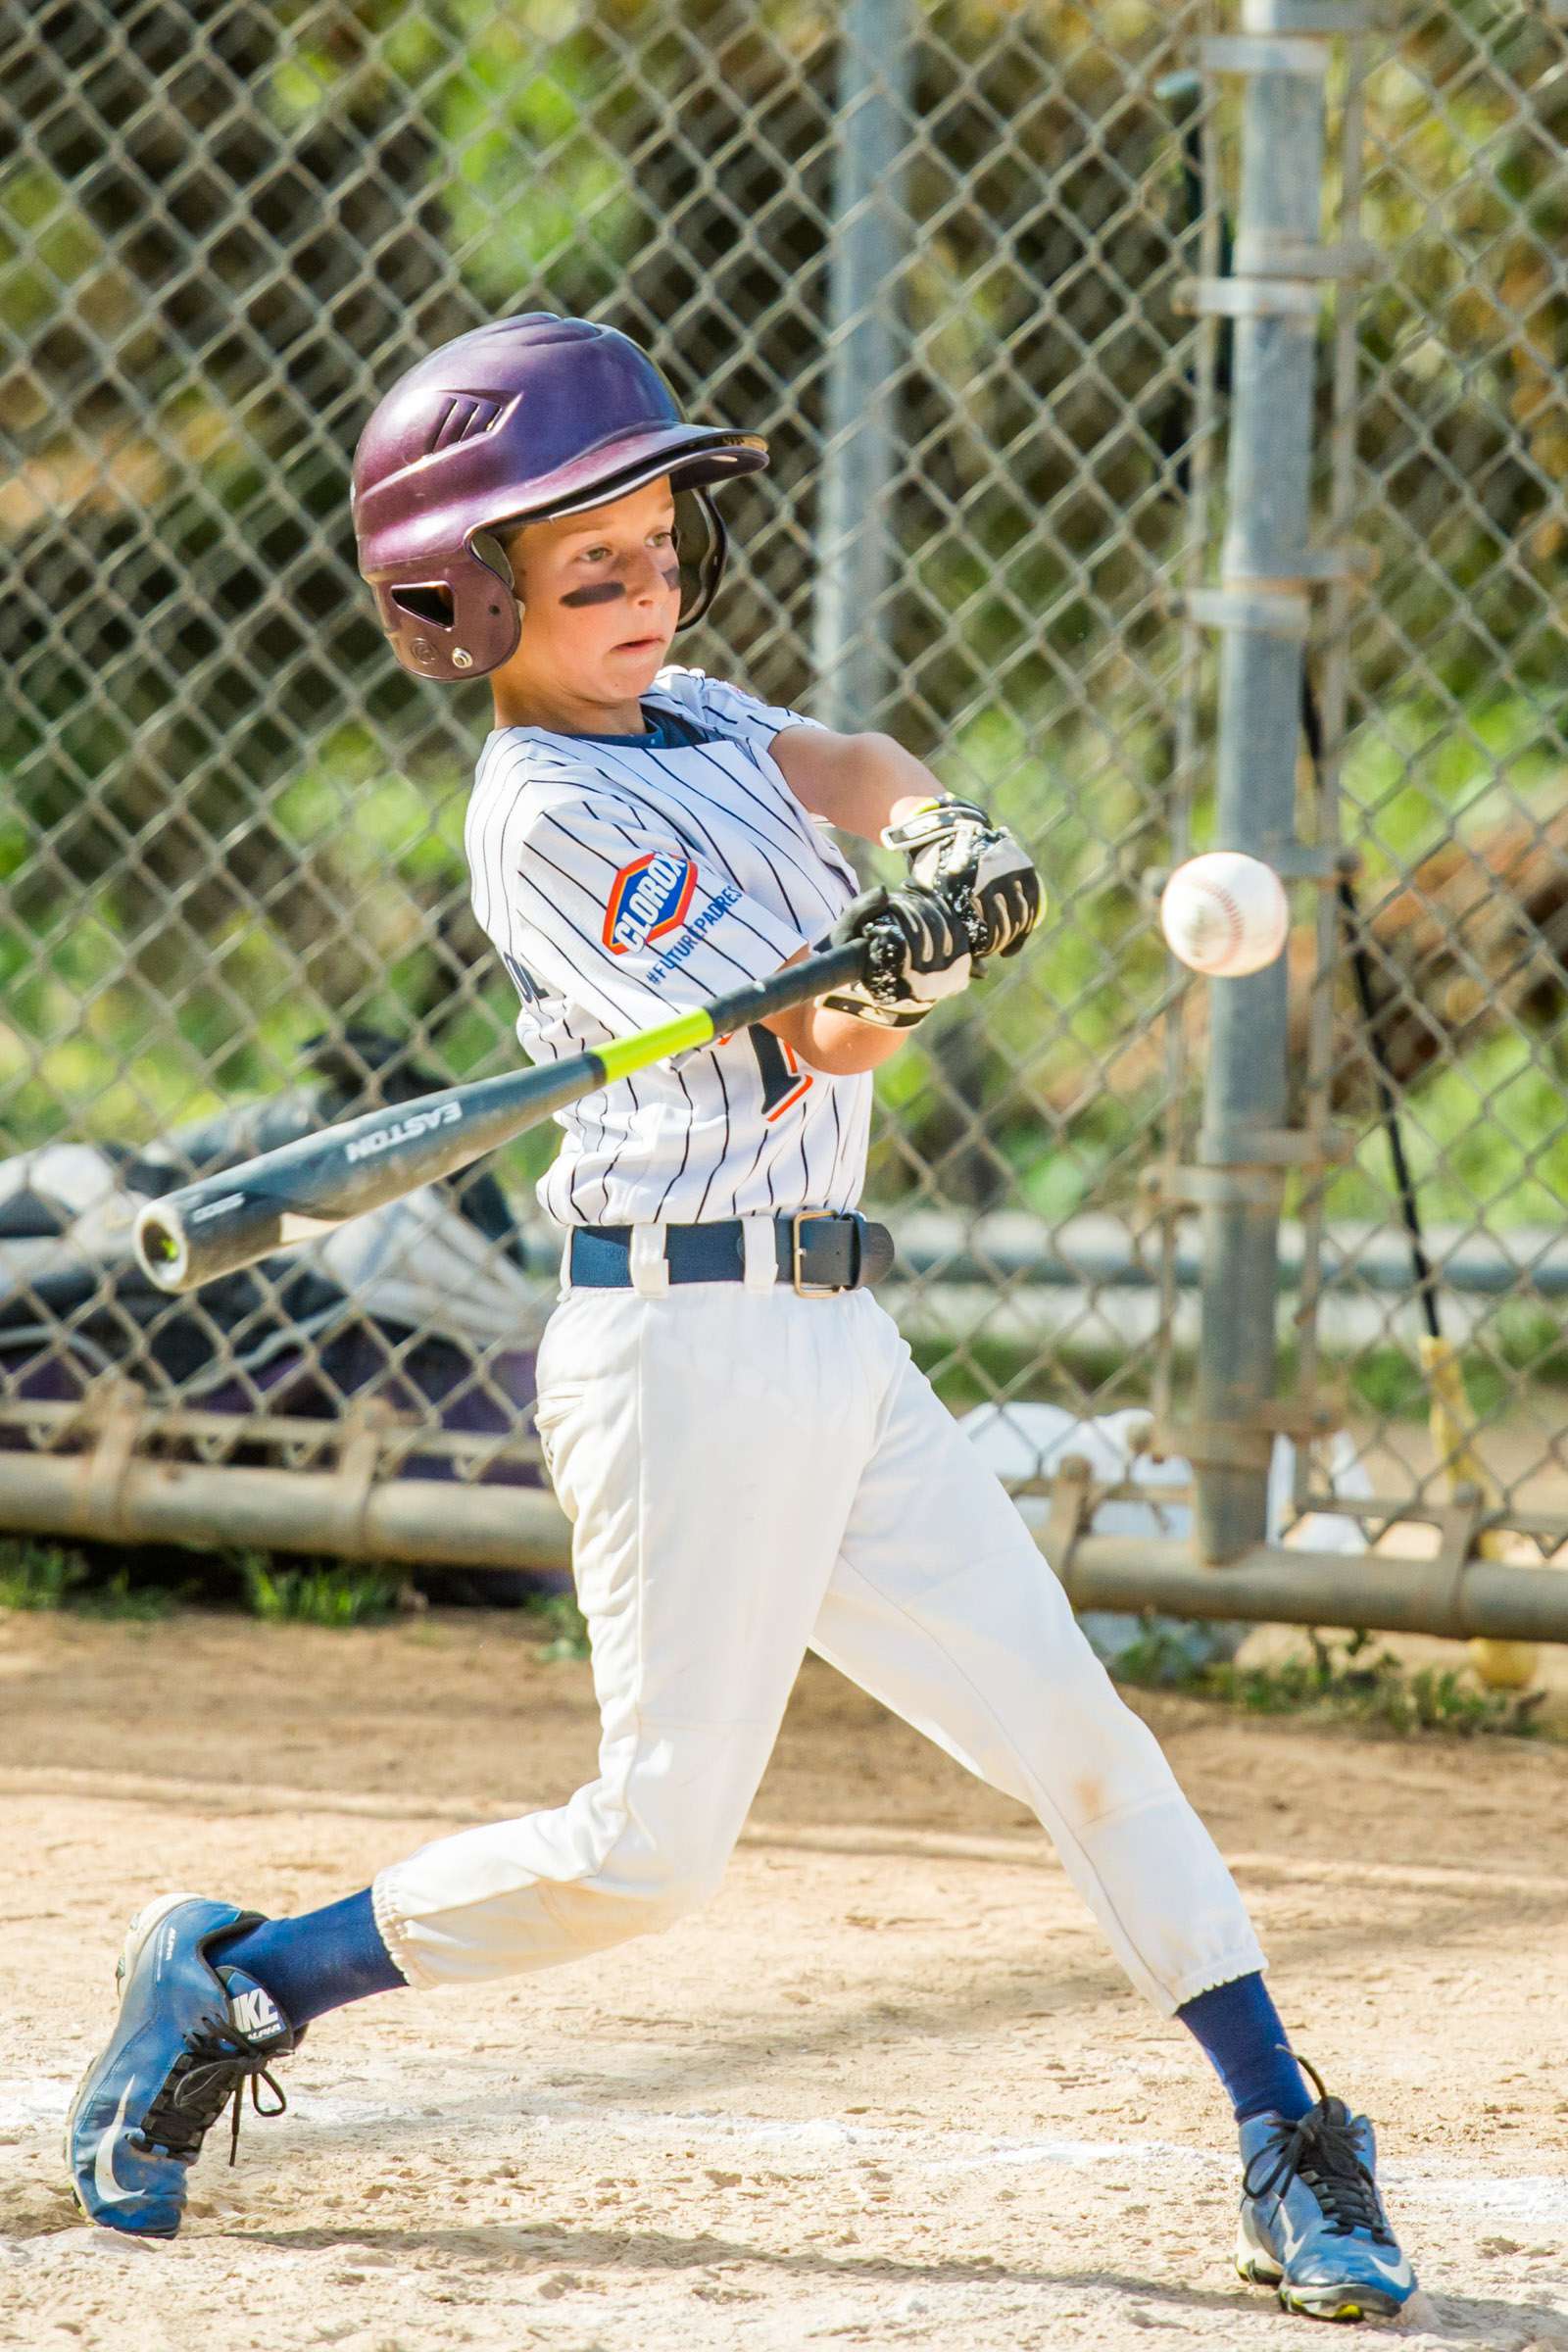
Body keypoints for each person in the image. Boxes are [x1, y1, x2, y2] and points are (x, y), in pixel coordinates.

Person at [66, 314, 1415, 2322]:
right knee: (647, 1857)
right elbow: (822, 1032)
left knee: (1076, 1735)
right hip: (675, 1361)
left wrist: (932, 840)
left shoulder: (684, 718)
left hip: (834, 1351)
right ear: (468, 602)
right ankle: (240, 1977)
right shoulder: (542, 818)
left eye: (657, 549)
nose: (644, 593)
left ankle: (1284, 2127)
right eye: (587, 570)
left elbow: (843, 766)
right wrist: (904, 976)